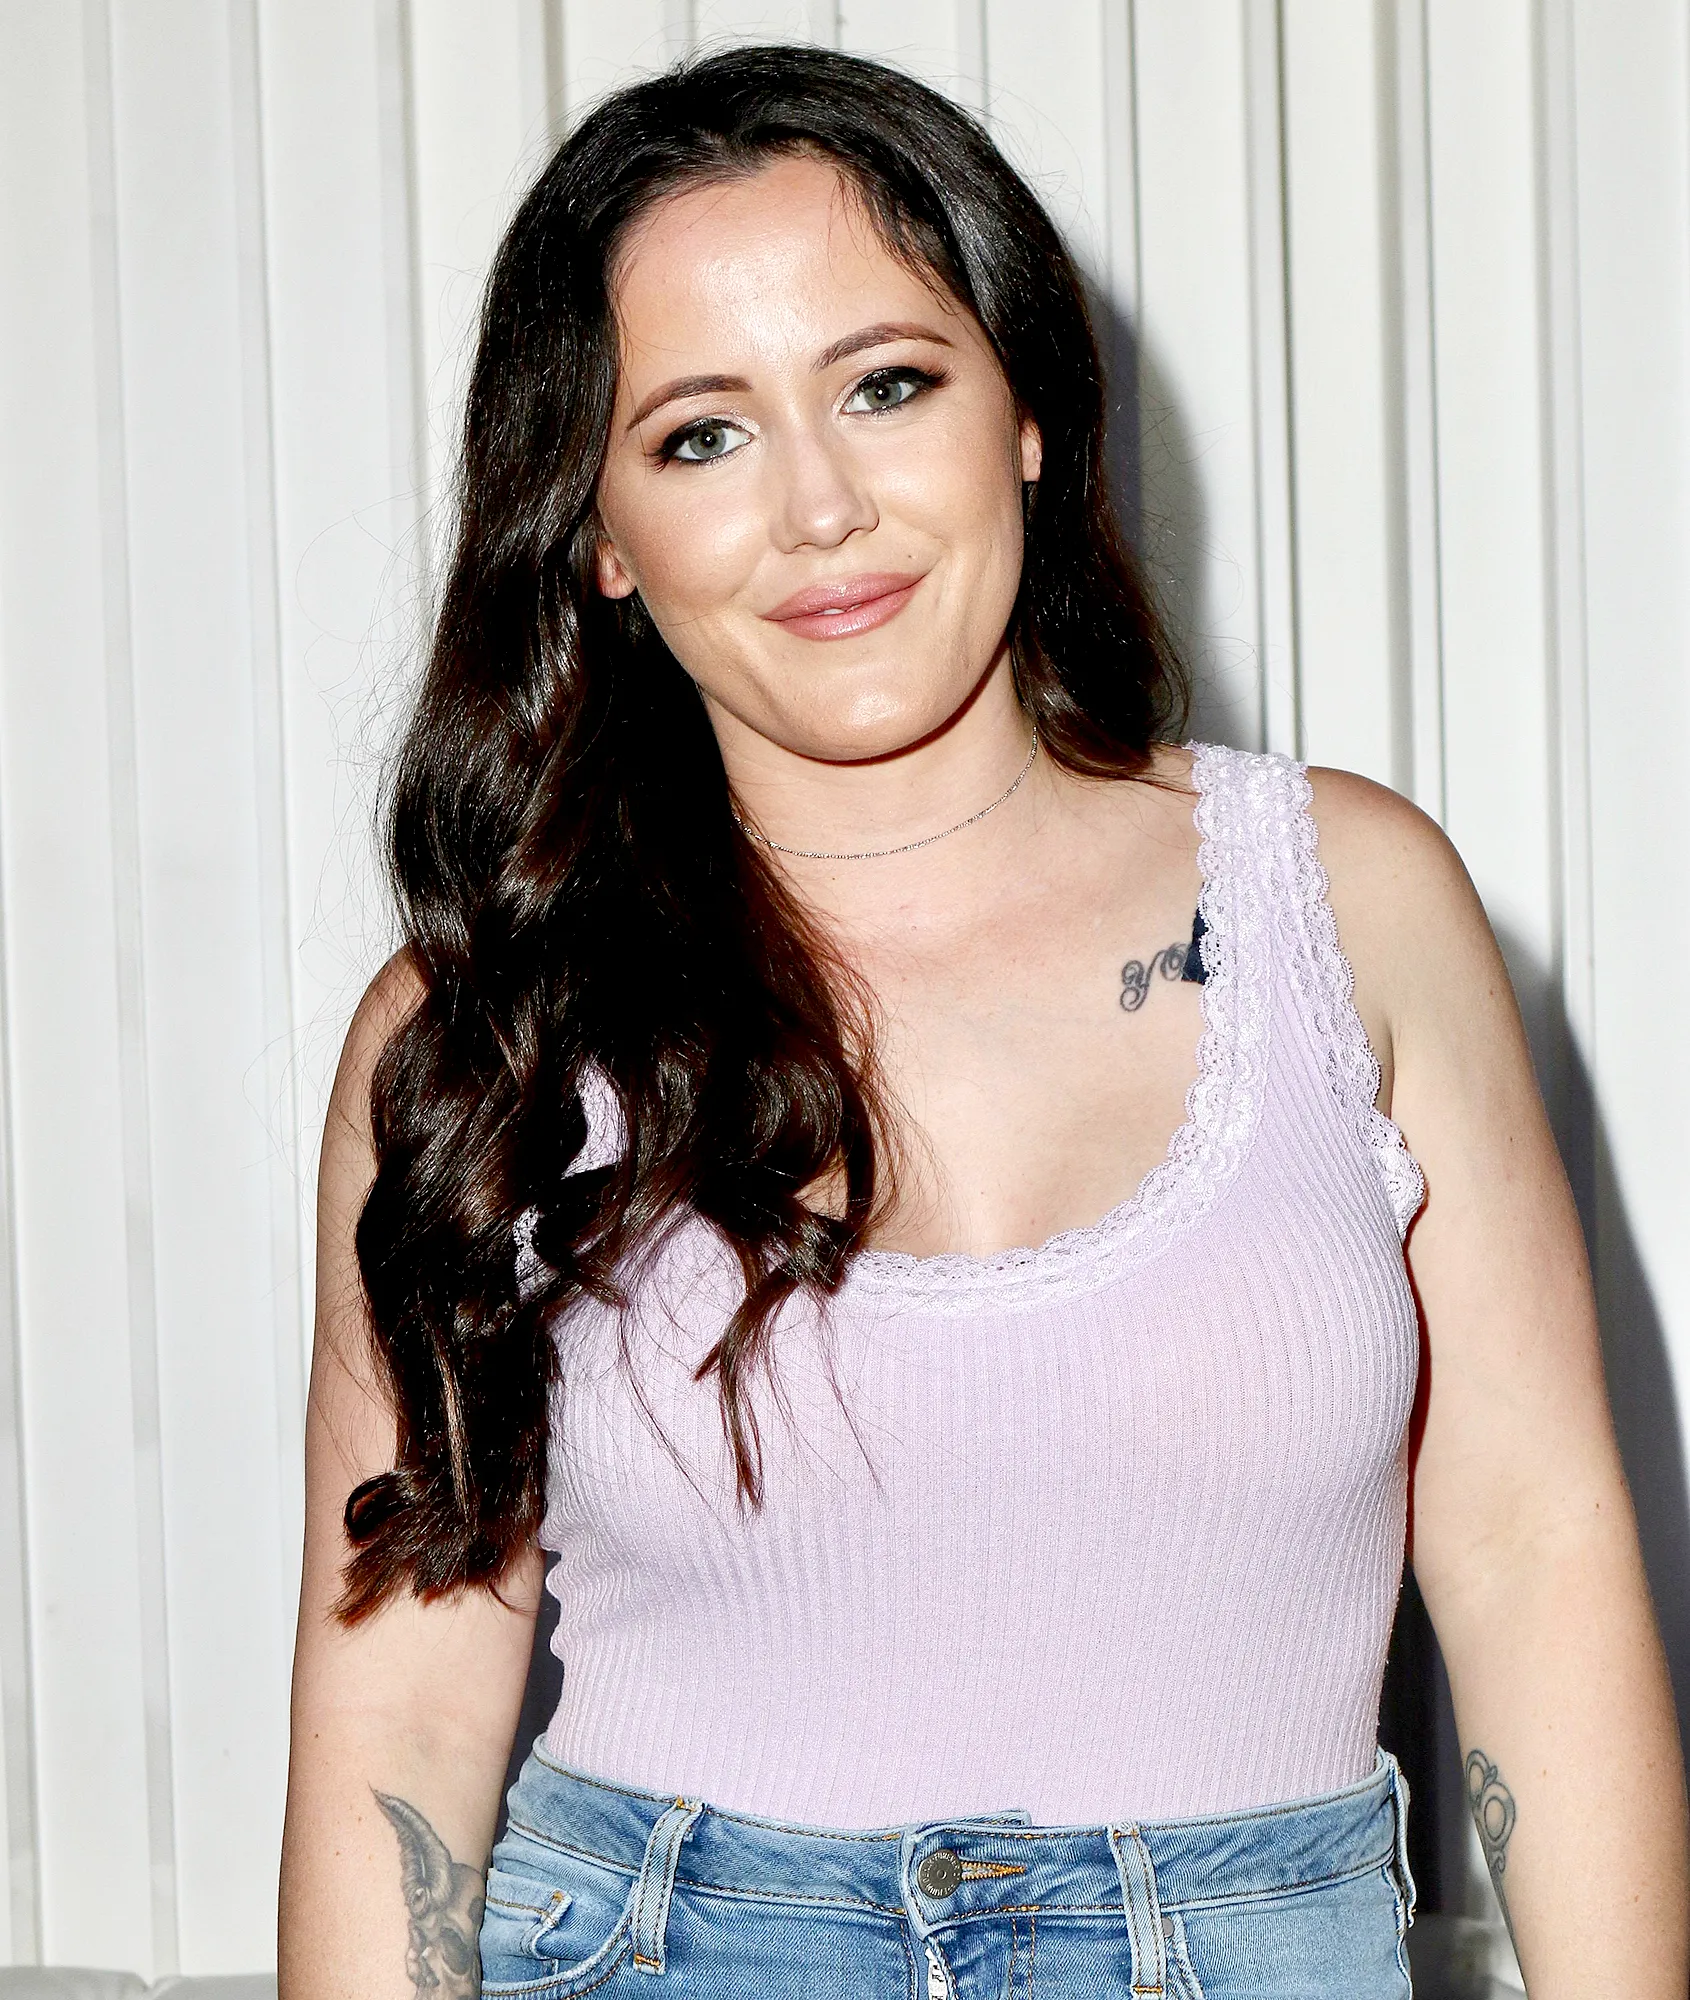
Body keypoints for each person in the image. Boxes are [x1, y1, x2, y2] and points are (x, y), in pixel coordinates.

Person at [277, 44, 1688, 1999]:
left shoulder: (1346, 906)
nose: (820, 507)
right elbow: (400, 1716)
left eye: (885, 384)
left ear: (1020, 413)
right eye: (699, 435)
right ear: (596, 535)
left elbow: (1533, 1549)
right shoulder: (486, 1033)